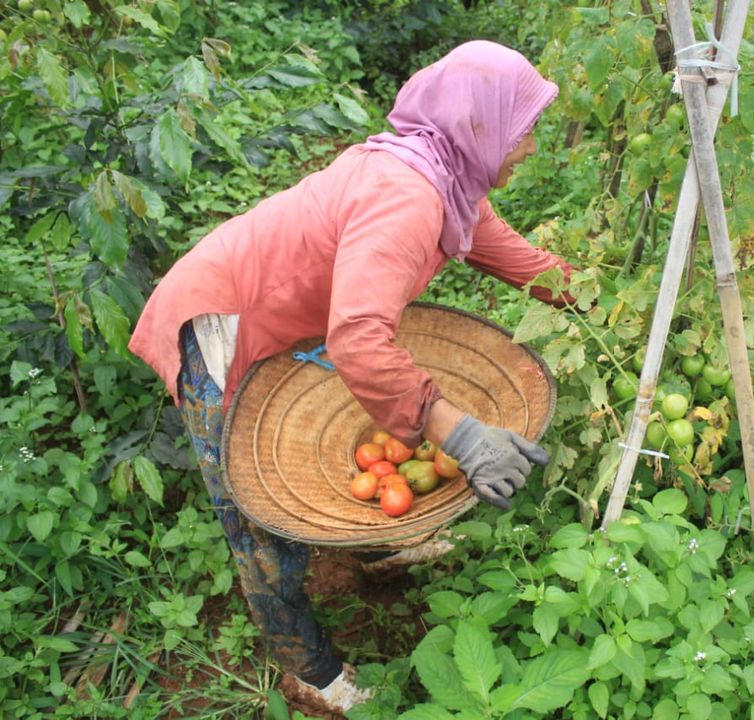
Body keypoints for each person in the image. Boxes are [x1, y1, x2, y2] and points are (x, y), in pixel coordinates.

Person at [128, 40, 574, 714]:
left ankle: (372, 553)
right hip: (223, 324)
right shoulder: (407, 196)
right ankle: (311, 672)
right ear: (478, 125)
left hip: (294, 322)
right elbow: (361, 343)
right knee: (256, 513)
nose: (531, 147)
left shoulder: (451, 183)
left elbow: (526, 265)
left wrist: (600, 303)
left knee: (348, 446)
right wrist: (466, 437)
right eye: (524, 128)